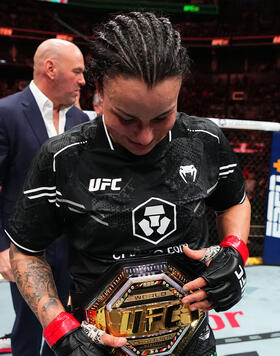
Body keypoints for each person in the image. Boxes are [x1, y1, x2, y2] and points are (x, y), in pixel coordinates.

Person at [6, 12, 251, 356]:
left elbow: (233, 201)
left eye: (162, 115)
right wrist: (59, 328)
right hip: (98, 346)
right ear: (100, 91)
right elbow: (26, 251)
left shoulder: (204, 140)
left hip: (192, 344)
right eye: (127, 118)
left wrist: (234, 251)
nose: (145, 136)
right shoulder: (63, 158)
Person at [0, 38, 89, 355]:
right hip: (24, 246)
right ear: (50, 69)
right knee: (27, 324)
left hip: (70, 247)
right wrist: (2, 248)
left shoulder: (81, 122)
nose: (82, 80)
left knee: (65, 323)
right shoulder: (7, 113)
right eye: (77, 71)